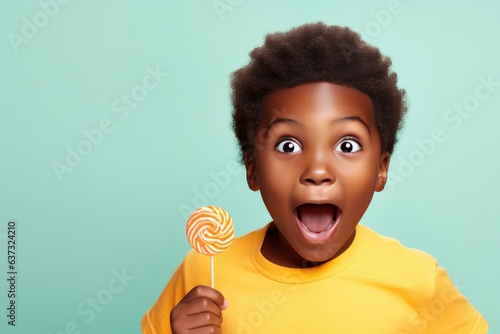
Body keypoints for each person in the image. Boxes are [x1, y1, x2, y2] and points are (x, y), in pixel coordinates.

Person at [141, 22, 488, 333]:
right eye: (288, 145)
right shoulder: (202, 272)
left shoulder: (419, 281)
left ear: (381, 168)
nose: (318, 171)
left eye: (347, 145)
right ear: (252, 168)